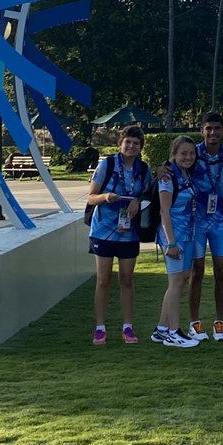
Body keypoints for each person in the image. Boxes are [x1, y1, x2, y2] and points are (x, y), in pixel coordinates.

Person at [86, 125, 151, 346]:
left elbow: (147, 195)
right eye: (128, 141)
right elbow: (90, 197)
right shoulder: (108, 164)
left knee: (127, 279)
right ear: (120, 143)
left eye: (136, 143)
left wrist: (137, 200)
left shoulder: (143, 168)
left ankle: (127, 326)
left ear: (141, 147)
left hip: (129, 233)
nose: (131, 146)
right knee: (103, 280)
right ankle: (100, 328)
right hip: (103, 231)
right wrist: (105, 196)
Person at [188, 113, 223, 342]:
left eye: (217, 128)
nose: (213, 133)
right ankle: (195, 323)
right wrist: (161, 169)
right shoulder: (192, 152)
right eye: (208, 128)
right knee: (196, 271)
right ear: (202, 130)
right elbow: (174, 167)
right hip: (196, 221)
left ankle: (220, 321)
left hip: (221, 221)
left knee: (221, 271)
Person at [151, 135, 201, 348]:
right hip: (173, 236)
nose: (188, 157)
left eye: (191, 153)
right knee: (176, 283)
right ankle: (174, 332)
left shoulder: (185, 175)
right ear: (174, 154)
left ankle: (161, 329)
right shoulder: (167, 177)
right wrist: (171, 242)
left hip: (187, 233)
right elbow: (164, 211)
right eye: (183, 153)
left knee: (182, 279)